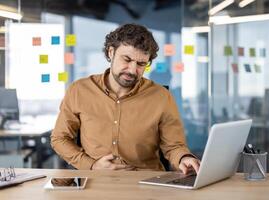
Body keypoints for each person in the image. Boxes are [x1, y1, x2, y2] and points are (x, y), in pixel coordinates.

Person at [51, 23, 200, 174]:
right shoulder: (79, 90)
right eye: (127, 59)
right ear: (111, 52)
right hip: (96, 182)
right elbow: (60, 138)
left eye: (141, 64)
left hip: (146, 184)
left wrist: (183, 158)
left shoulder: (161, 96)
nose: (132, 70)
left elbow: (174, 146)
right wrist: (91, 165)